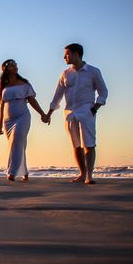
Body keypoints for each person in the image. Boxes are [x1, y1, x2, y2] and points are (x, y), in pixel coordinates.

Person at [44, 43, 108, 184]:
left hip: (87, 110)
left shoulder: (93, 71)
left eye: (67, 54)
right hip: (70, 112)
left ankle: (89, 176)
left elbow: (103, 91)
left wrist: (95, 107)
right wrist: (49, 114)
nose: (64, 57)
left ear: (76, 54)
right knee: (76, 144)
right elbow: (57, 96)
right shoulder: (65, 74)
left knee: (89, 143)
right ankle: (82, 173)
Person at [0, 59, 48, 181]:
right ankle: (24, 172)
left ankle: (12, 172)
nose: (15, 67)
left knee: (16, 142)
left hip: (22, 116)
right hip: (8, 120)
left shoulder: (24, 84)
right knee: (18, 145)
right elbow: (2, 106)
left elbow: (31, 100)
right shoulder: (4, 85)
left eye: (15, 65)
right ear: (5, 69)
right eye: (11, 65)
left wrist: (42, 113)